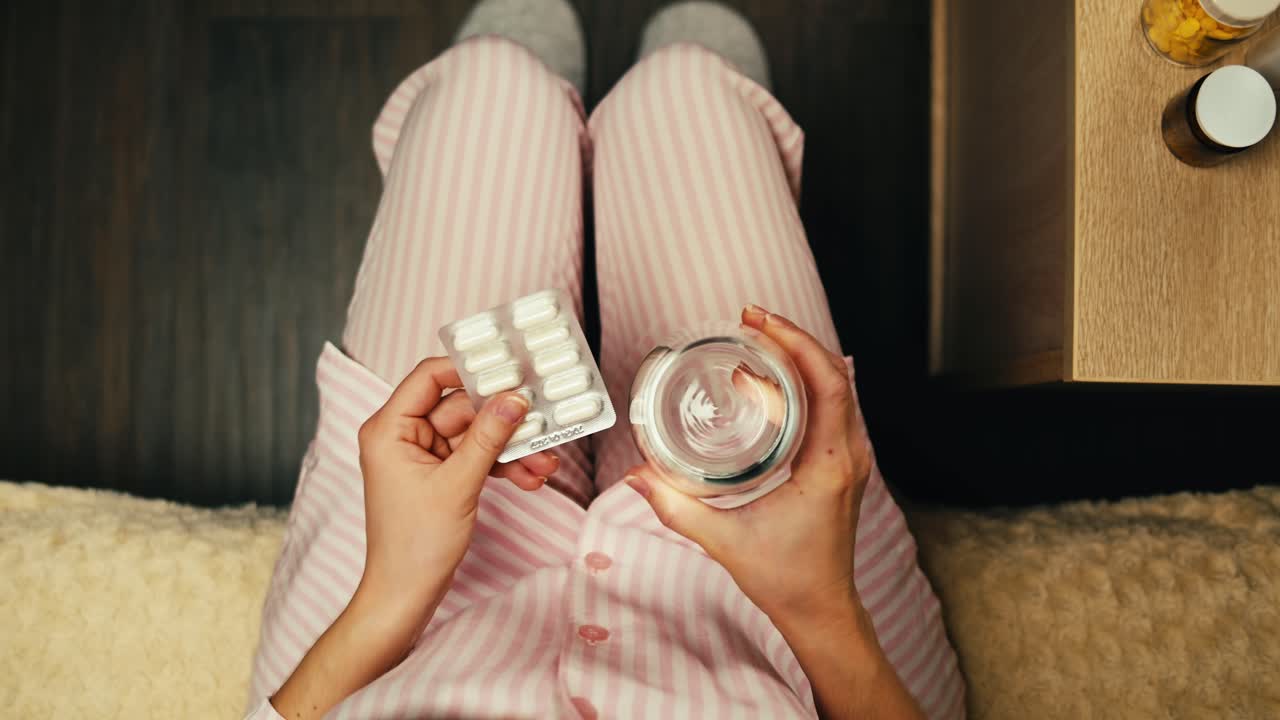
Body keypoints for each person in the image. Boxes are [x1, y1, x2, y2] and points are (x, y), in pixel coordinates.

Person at [245, 1, 964, 717]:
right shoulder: (809, 604)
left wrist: (390, 591)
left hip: (401, 612)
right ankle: (662, 100)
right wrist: (821, 609)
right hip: (785, 621)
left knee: (492, 83)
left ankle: (542, 95)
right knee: (685, 90)